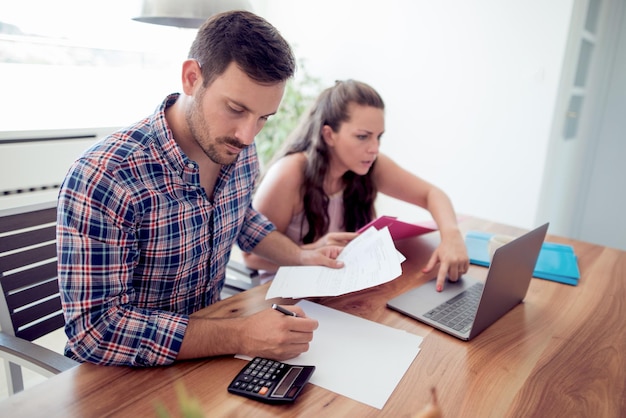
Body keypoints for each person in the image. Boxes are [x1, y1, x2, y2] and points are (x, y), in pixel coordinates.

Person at [56, 10, 344, 367]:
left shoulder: (237, 148)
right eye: (236, 109)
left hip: (206, 354)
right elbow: (96, 332)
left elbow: (241, 218)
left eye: (263, 119)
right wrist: (240, 334)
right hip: (124, 375)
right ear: (192, 78)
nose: (247, 135)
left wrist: (300, 256)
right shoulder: (106, 176)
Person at [243, 79, 469, 291]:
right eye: (363, 136)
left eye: (378, 137)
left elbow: (432, 194)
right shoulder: (289, 173)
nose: (374, 148)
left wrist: (451, 235)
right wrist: (311, 252)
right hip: (288, 293)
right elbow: (251, 257)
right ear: (329, 135)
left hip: (343, 286)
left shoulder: (370, 165)